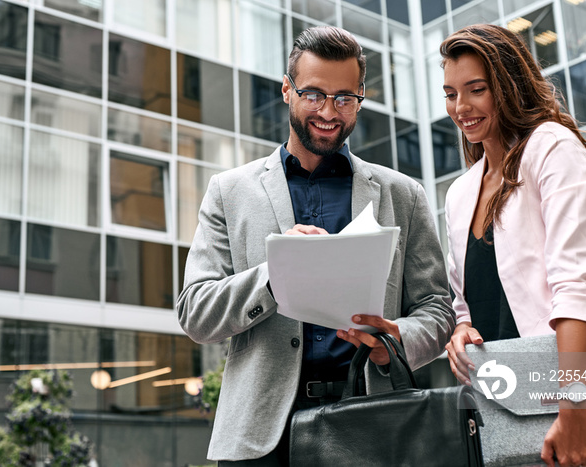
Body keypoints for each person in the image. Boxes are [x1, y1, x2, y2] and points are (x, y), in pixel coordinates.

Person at [177, 26, 455, 466]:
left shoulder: (403, 194)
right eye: (313, 94)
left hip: (371, 420)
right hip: (261, 436)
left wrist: (397, 341)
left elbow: (438, 308)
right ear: (287, 90)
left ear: (361, 98)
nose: (329, 111)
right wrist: (276, 273)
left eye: (345, 98)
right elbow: (195, 313)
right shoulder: (229, 192)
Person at [441, 24, 586, 467]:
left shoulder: (551, 147)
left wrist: (574, 407)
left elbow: (574, 286)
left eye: (476, 89)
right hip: (502, 404)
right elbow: (467, 306)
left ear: (507, 86)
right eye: (450, 93)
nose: (461, 107)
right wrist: (461, 331)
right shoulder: (460, 192)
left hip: (566, 397)